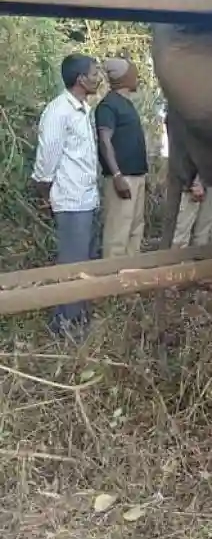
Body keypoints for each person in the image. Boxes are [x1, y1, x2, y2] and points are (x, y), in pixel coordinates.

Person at [31, 53, 101, 336]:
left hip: (87, 199)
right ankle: (65, 325)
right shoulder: (59, 111)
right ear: (80, 79)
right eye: (94, 72)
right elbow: (46, 161)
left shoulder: (83, 109)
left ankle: (76, 317)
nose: (99, 77)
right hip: (71, 201)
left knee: (82, 262)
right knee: (72, 265)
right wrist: (46, 194)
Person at [95, 57, 148, 259]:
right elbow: (104, 141)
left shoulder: (126, 104)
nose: (137, 76)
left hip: (136, 176)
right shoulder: (108, 105)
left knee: (135, 230)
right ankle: (112, 283)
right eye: (134, 73)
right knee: (118, 233)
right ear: (124, 78)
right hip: (122, 178)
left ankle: (129, 280)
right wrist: (117, 175)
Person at [173, 174, 212, 248]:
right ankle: (177, 258)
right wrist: (194, 182)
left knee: (203, 234)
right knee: (182, 234)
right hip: (190, 181)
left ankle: (200, 257)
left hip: (208, 181)